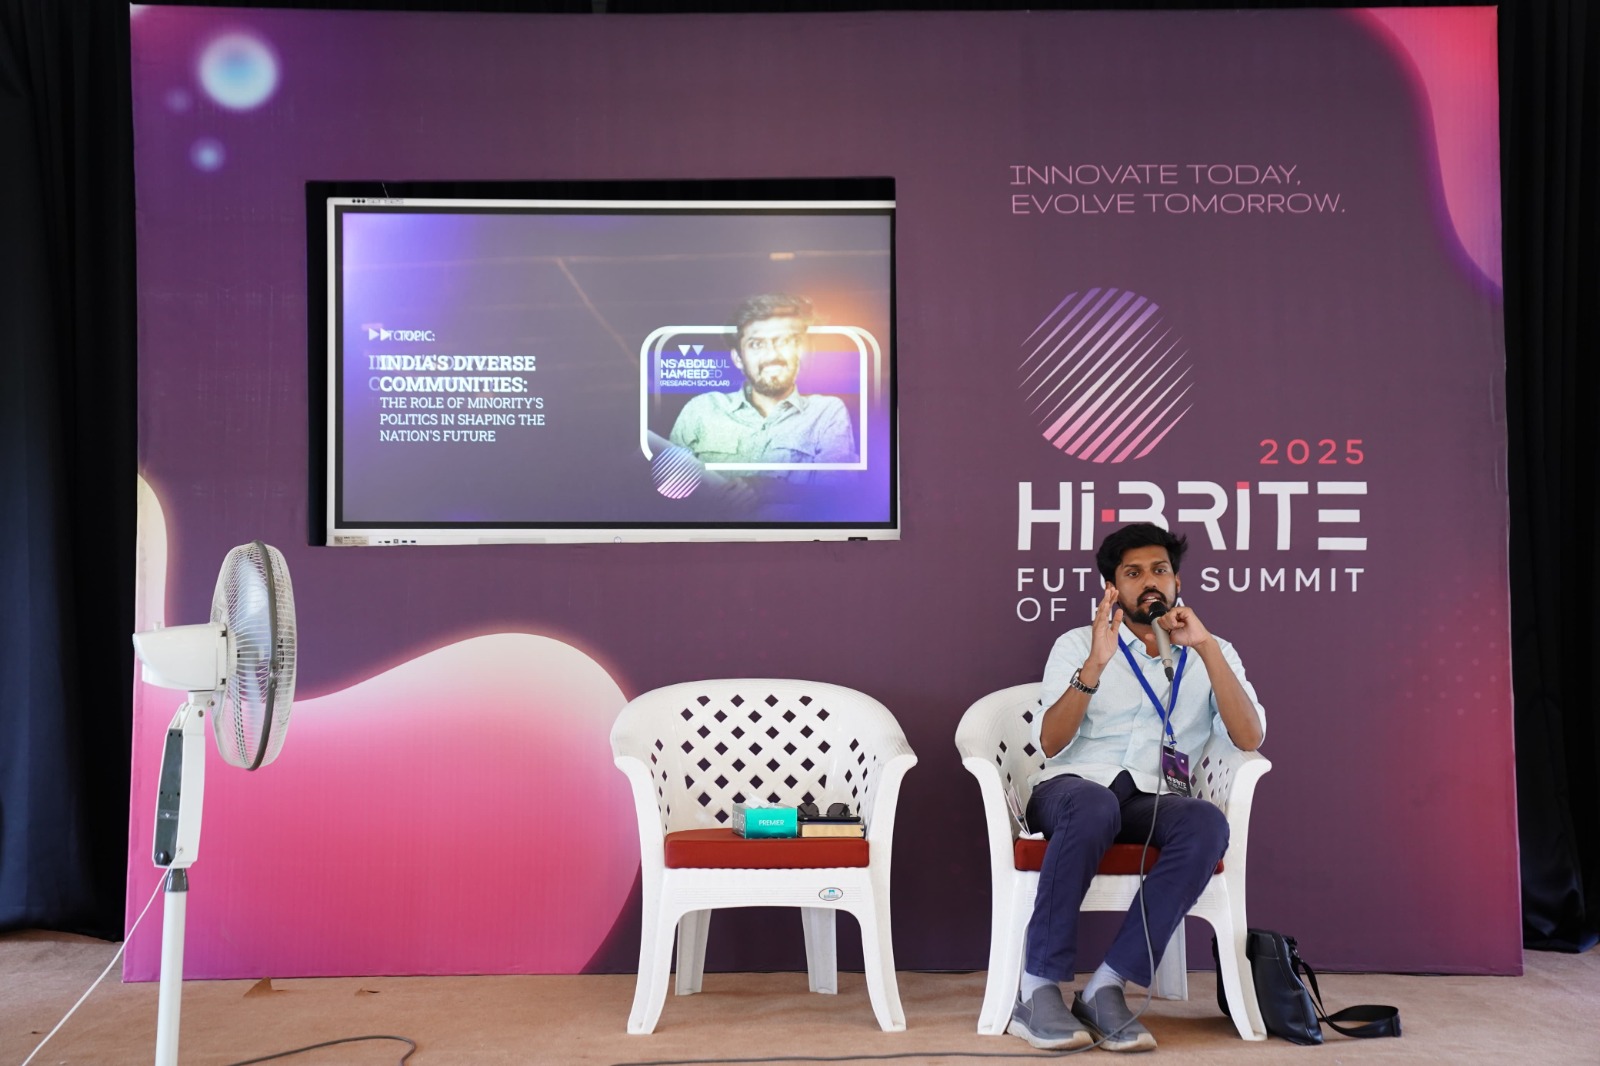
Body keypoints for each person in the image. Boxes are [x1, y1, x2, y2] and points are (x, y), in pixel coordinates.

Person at [1009, 522, 1266, 1053]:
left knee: (1206, 824)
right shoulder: (1077, 644)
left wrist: (1207, 649)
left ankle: (1106, 986)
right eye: (1133, 573)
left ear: (1176, 582)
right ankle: (1036, 988)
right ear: (1112, 588)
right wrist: (1096, 664)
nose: (1149, 581)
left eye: (1159, 570)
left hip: (1154, 800)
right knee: (1095, 805)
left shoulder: (1212, 651)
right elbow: (1051, 742)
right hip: (1073, 791)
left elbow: (1249, 737)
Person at [668, 293, 858, 468]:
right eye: (756, 344)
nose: (772, 355)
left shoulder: (826, 413)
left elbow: (836, 488)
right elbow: (666, 483)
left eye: (785, 341)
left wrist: (768, 487)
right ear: (738, 358)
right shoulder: (701, 409)